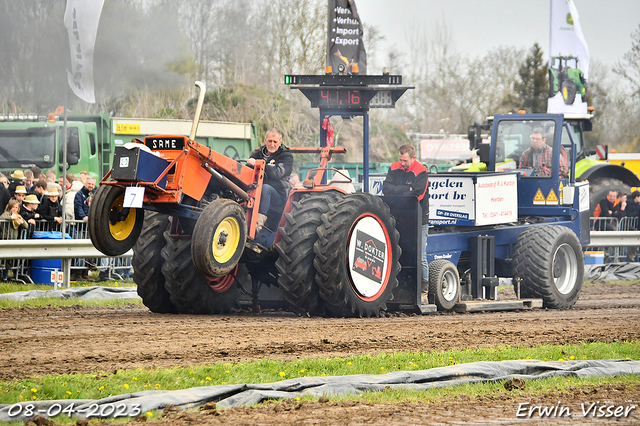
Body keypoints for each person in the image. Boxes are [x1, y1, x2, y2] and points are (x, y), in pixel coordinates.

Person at [382, 144, 429, 302]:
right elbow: (385, 188)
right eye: (401, 160)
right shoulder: (393, 168)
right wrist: (406, 189)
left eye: (405, 161)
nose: (402, 164)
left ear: (413, 158)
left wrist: (398, 189)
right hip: (398, 217)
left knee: (420, 256)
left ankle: (424, 291)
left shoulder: (421, 171)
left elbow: (417, 194)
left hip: (419, 219)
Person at [246, 129, 293, 233]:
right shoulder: (256, 154)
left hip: (279, 194)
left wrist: (259, 164)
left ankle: (256, 227)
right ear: (265, 140)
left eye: (275, 142)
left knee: (265, 188)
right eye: (270, 141)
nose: (272, 144)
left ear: (280, 143)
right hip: (255, 189)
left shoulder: (286, 156)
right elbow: (247, 170)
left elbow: (278, 172)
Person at [0, 199, 29, 281]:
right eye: (13, 207)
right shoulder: (6, 214)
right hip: (5, 239)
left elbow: (26, 226)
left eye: (16, 207)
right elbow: (2, 218)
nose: (15, 209)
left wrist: (21, 222)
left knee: (8, 260)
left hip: (13, 240)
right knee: (3, 259)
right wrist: (10, 217)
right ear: (10, 207)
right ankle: (2, 276)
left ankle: (5, 277)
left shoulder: (18, 216)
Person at [623, 190, 640, 262]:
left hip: (633, 225)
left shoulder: (635, 203)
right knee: (635, 238)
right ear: (637, 197)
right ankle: (631, 253)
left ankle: (633, 253)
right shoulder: (630, 203)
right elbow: (630, 214)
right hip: (629, 225)